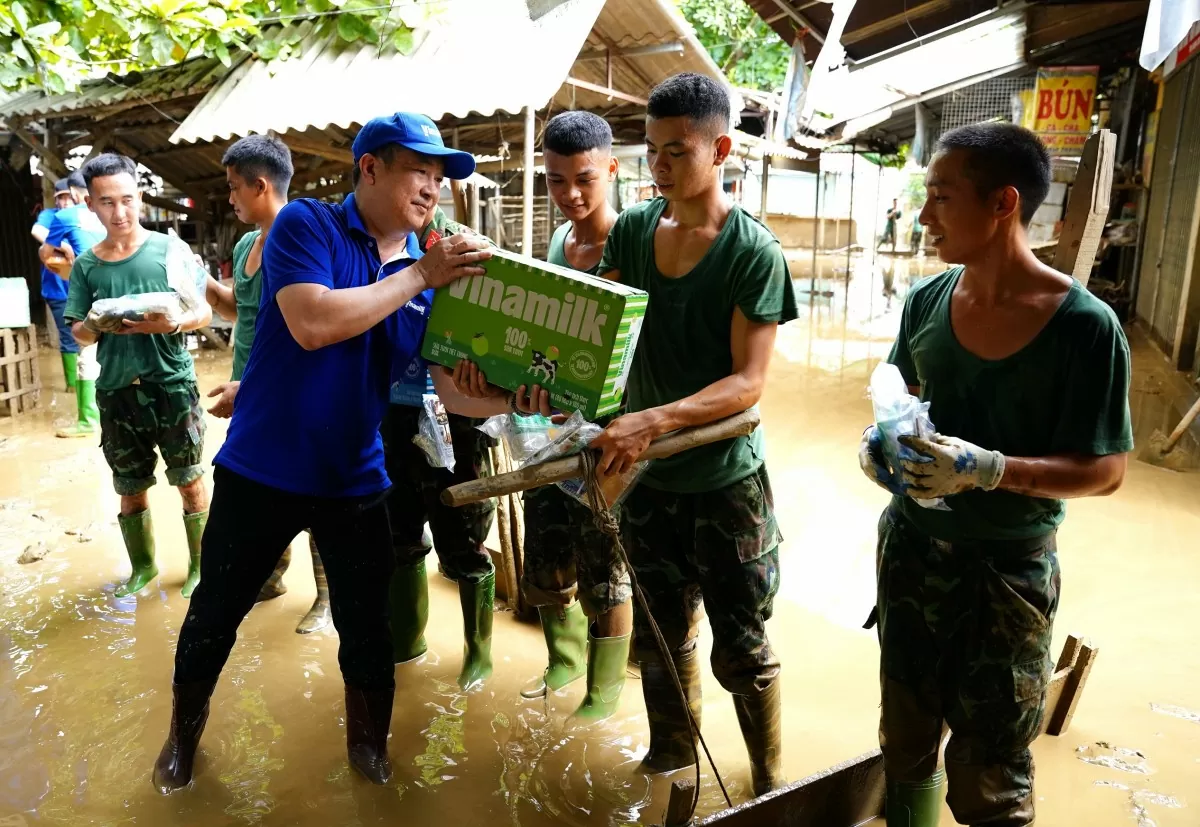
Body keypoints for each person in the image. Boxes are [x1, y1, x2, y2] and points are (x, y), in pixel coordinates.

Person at [152, 111, 550, 794]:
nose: (431, 187)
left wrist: (518, 401)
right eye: (417, 170)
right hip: (263, 468)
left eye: (439, 176)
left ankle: (368, 748)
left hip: (355, 474)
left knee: (368, 629)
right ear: (370, 169)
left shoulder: (430, 275)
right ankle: (181, 738)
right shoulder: (308, 224)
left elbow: (452, 391)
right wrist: (420, 275)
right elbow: (311, 322)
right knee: (216, 611)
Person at [857, 123, 1132, 826]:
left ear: (1004, 202)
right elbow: (903, 400)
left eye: (942, 197)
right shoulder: (925, 302)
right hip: (911, 556)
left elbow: (1105, 471)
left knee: (991, 770)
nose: (924, 217)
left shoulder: (1085, 327)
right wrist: (882, 447)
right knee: (906, 739)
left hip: (1007, 576)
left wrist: (989, 469)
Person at [583, 74, 797, 795]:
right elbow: (602, 331)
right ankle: (671, 756)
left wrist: (654, 418)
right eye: (651, 150)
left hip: (724, 483)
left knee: (742, 647)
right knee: (659, 637)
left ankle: (769, 775)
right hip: (649, 484)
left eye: (676, 150)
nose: (660, 166)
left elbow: (748, 383)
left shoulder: (751, 251)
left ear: (722, 149)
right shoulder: (637, 232)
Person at [517, 110, 633, 722]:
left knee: (606, 565)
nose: (571, 195)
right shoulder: (560, 243)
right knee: (547, 551)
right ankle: (562, 658)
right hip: (551, 428)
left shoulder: (631, 241)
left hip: (610, 435)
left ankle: (604, 689)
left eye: (584, 179)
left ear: (612, 168)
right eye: (557, 181)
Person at [63, 154, 213, 600]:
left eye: (127, 200)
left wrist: (173, 324)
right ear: (91, 204)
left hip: (170, 385)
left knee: (190, 479)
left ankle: (200, 569)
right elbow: (78, 334)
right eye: (107, 203)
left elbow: (202, 312)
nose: (120, 212)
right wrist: (96, 321)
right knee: (129, 487)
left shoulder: (171, 250)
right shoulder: (87, 266)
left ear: (141, 197)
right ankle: (143, 568)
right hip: (116, 391)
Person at [202, 134, 332, 633]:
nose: (230, 197)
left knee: (311, 491)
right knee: (259, 483)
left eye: (235, 187)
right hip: (250, 389)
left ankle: (326, 598)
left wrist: (256, 388)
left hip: (290, 389)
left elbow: (312, 324)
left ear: (261, 186)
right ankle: (271, 577)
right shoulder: (243, 245)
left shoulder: (302, 239)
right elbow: (242, 309)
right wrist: (204, 286)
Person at [384, 204, 501, 692]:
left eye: (432, 180)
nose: (423, 192)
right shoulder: (374, 246)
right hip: (390, 411)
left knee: (466, 538)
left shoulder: (464, 245)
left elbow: (497, 333)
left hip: (456, 416)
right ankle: (407, 641)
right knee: (398, 534)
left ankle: (479, 653)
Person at [39, 172, 106, 438]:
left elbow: (45, 253)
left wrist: (60, 251)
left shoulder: (65, 217)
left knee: (86, 352)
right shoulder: (108, 214)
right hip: (117, 284)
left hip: (89, 290)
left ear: (76, 194)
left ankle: (88, 420)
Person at [31, 178, 75, 391]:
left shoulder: (82, 217)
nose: (66, 202)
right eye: (61, 198)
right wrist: (64, 245)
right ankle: (73, 386)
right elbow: (37, 232)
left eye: (68, 197)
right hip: (57, 288)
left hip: (81, 288)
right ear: (56, 199)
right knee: (67, 335)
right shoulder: (49, 216)